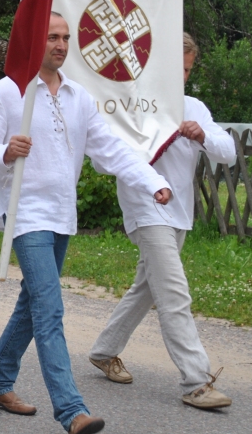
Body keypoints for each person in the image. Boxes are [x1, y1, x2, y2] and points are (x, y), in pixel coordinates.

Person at [0, 12, 172, 434]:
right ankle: (71, 411)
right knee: (49, 309)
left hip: (63, 216)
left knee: (33, 303)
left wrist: (152, 181)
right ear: (32, 42)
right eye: (51, 37)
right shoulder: (8, 93)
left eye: (65, 38)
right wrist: (4, 153)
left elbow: (112, 150)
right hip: (25, 215)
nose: (61, 45)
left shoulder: (79, 97)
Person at [88, 32, 235, 410]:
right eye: (176, 70)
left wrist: (202, 135)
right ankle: (196, 381)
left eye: (187, 70)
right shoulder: (129, 106)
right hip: (145, 207)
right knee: (173, 292)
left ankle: (104, 351)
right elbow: (105, 158)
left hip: (179, 214)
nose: (182, 77)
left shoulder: (194, 108)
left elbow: (228, 152)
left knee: (148, 288)